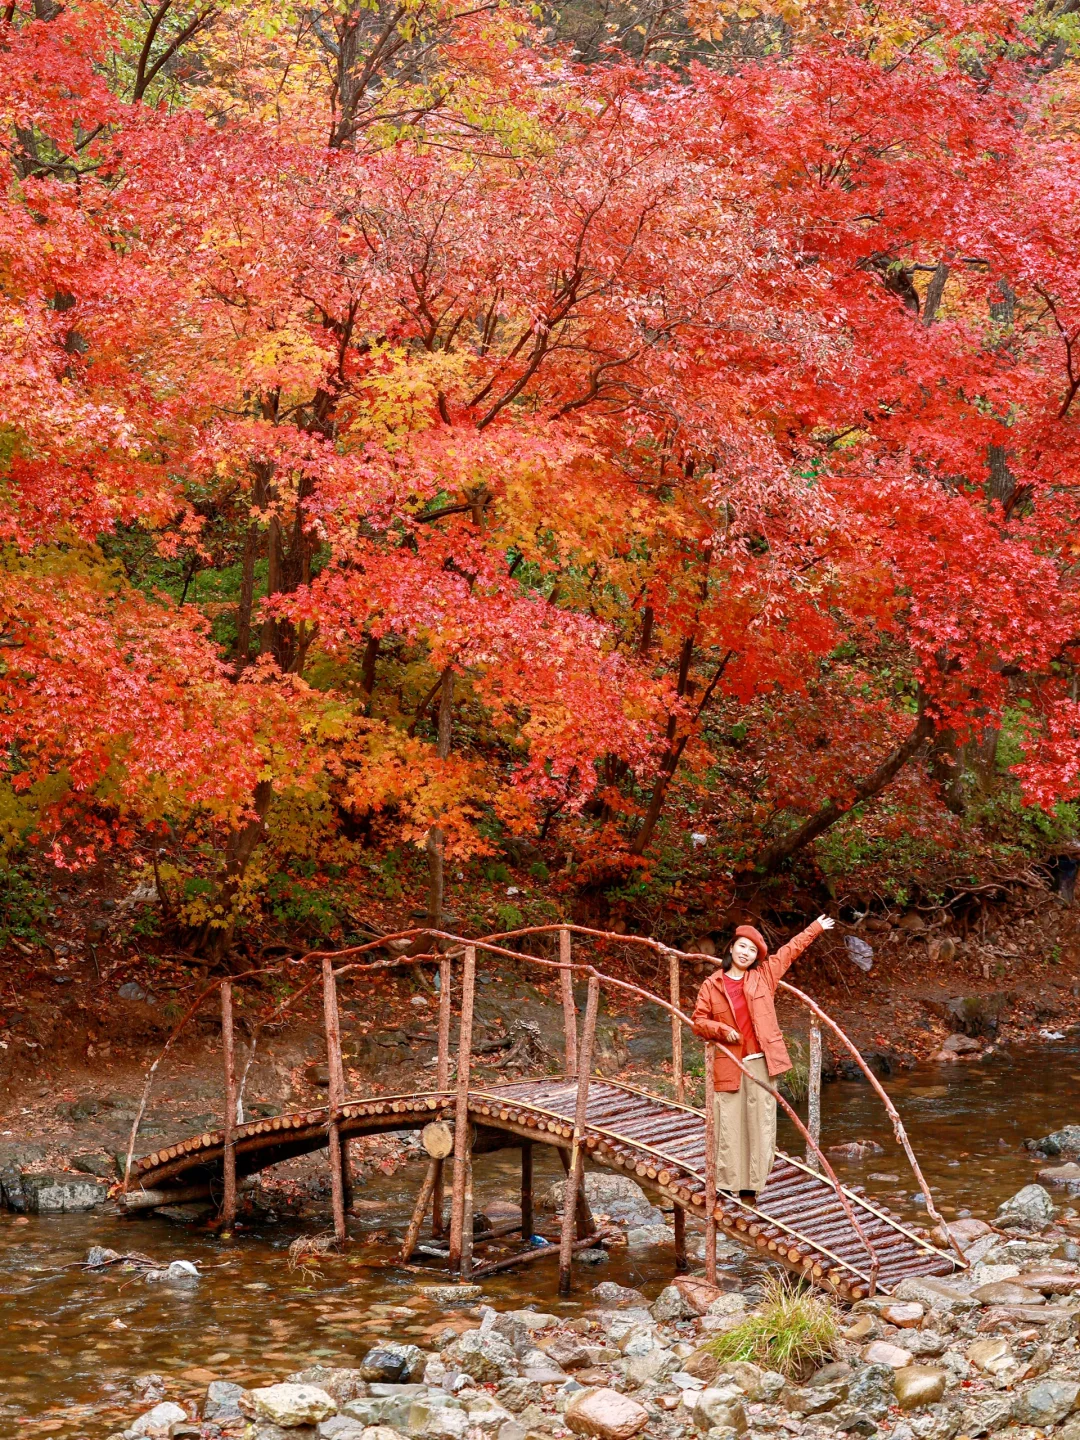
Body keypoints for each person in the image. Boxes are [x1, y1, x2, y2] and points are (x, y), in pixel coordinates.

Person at [691, 915, 835, 1202]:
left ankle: (751, 1187)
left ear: (756, 957)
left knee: (760, 1124)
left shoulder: (763, 977)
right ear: (731, 948)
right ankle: (726, 1184)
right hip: (729, 1062)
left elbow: (790, 951)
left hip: (760, 1061)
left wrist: (815, 928)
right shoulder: (712, 984)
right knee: (729, 1124)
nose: (745, 953)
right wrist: (722, 1030)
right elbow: (699, 1021)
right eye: (742, 946)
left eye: (752, 950)